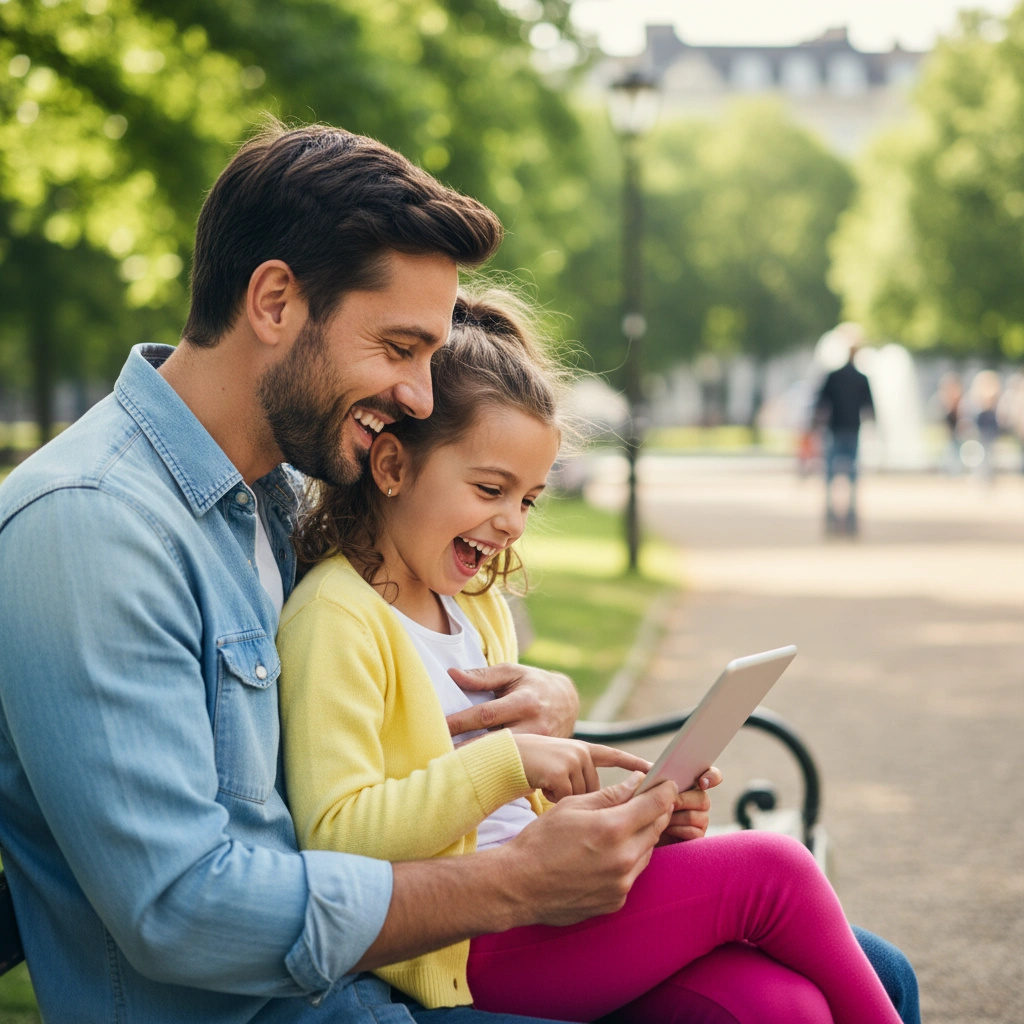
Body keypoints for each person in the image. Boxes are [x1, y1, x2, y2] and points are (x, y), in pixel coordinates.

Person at [0, 121, 918, 1024]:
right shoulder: (92, 527)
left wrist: (556, 730)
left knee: (867, 974)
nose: (422, 398)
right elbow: (182, 910)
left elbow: (395, 723)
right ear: (274, 302)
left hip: (372, 980)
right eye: (400, 349)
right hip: (316, 1005)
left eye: (432, 357)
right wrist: (511, 884)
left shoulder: (279, 487)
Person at [277, 289, 910, 1024]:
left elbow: (514, 815)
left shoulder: (474, 604)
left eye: (531, 500)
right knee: (774, 868)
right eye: (491, 489)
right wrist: (512, 759)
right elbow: (336, 836)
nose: (512, 522)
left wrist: (621, 812)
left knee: (781, 1006)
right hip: (462, 942)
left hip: (545, 908)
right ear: (391, 465)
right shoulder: (335, 616)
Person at [813, 327, 875, 535]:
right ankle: (850, 518)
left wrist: (814, 425)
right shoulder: (861, 378)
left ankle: (831, 516)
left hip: (835, 429)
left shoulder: (833, 376)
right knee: (852, 477)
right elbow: (870, 409)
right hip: (852, 430)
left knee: (830, 476)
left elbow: (820, 404)